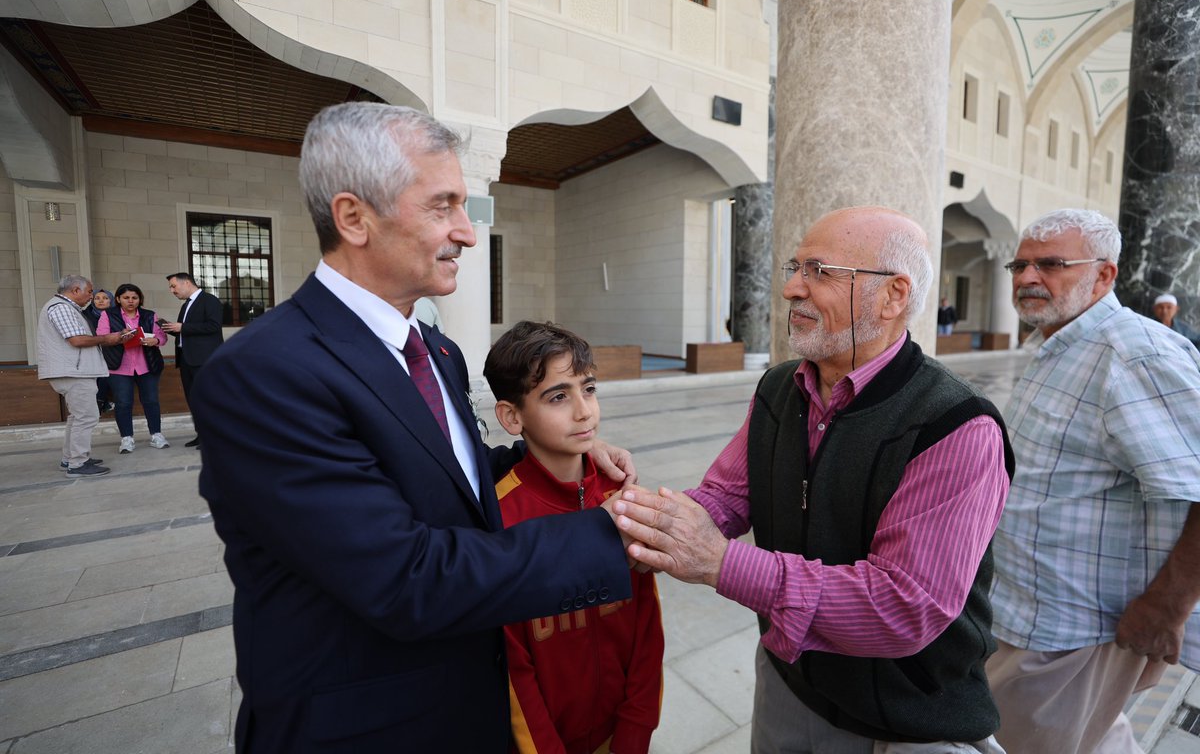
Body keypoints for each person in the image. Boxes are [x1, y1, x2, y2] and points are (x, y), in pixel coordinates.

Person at [190, 102, 638, 754]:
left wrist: (549, 451)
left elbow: (440, 474)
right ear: (354, 218)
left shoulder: (435, 349)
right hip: (363, 728)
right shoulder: (262, 373)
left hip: (466, 706)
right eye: (443, 207)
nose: (467, 232)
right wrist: (616, 535)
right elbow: (405, 578)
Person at [613, 206, 1014, 752]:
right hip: (790, 679)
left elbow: (904, 606)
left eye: (820, 272)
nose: (792, 290)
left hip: (904, 718)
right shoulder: (780, 388)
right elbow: (727, 496)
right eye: (794, 268)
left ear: (893, 296)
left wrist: (723, 562)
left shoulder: (956, 425)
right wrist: (644, 525)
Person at [983, 209, 1200, 754]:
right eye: (1021, 264)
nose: (1028, 277)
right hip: (1028, 612)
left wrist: (1167, 607)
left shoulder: (1133, 354)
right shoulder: (1061, 343)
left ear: (1104, 275)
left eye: (1051, 264)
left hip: (1074, 632)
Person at [484, 321, 664, 754]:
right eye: (558, 396)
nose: (584, 411)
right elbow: (513, 669)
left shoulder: (618, 494)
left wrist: (634, 736)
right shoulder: (500, 516)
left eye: (589, 388)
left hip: (618, 736)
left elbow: (647, 630)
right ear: (512, 416)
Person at [37, 275, 136, 476]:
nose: (92, 296)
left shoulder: (67, 308)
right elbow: (77, 340)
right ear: (75, 290)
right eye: (89, 291)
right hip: (73, 371)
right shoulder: (61, 308)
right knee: (87, 416)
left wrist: (114, 338)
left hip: (74, 370)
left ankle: (69, 458)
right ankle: (77, 463)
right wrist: (109, 338)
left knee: (78, 416)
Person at [96, 283, 170, 453]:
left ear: (139, 299)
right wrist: (120, 337)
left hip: (147, 365)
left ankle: (156, 435)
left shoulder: (150, 315)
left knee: (151, 401)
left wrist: (155, 341)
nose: (130, 301)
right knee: (123, 402)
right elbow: (102, 337)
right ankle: (127, 439)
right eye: (126, 298)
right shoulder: (108, 315)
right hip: (119, 366)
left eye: (134, 298)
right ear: (118, 299)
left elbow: (162, 337)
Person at [159, 272, 224, 448]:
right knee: (193, 400)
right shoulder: (186, 305)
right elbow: (186, 332)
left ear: (187, 283)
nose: (172, 291)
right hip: (187, 359)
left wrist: (183, 327)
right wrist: (170, 328)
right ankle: (201, 435)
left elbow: (213, 326)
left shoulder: (209, 300)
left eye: (173, 286)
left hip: (204, 360)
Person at [83, 289, 116, 415]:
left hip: (111, 351)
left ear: (111, 300)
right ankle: (99, 402)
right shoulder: (85, 315)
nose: (101, 301)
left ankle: (101, 401)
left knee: (106, 373)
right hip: (91, 351)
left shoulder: (117, 314)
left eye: (105, 298)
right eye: (97, 298)